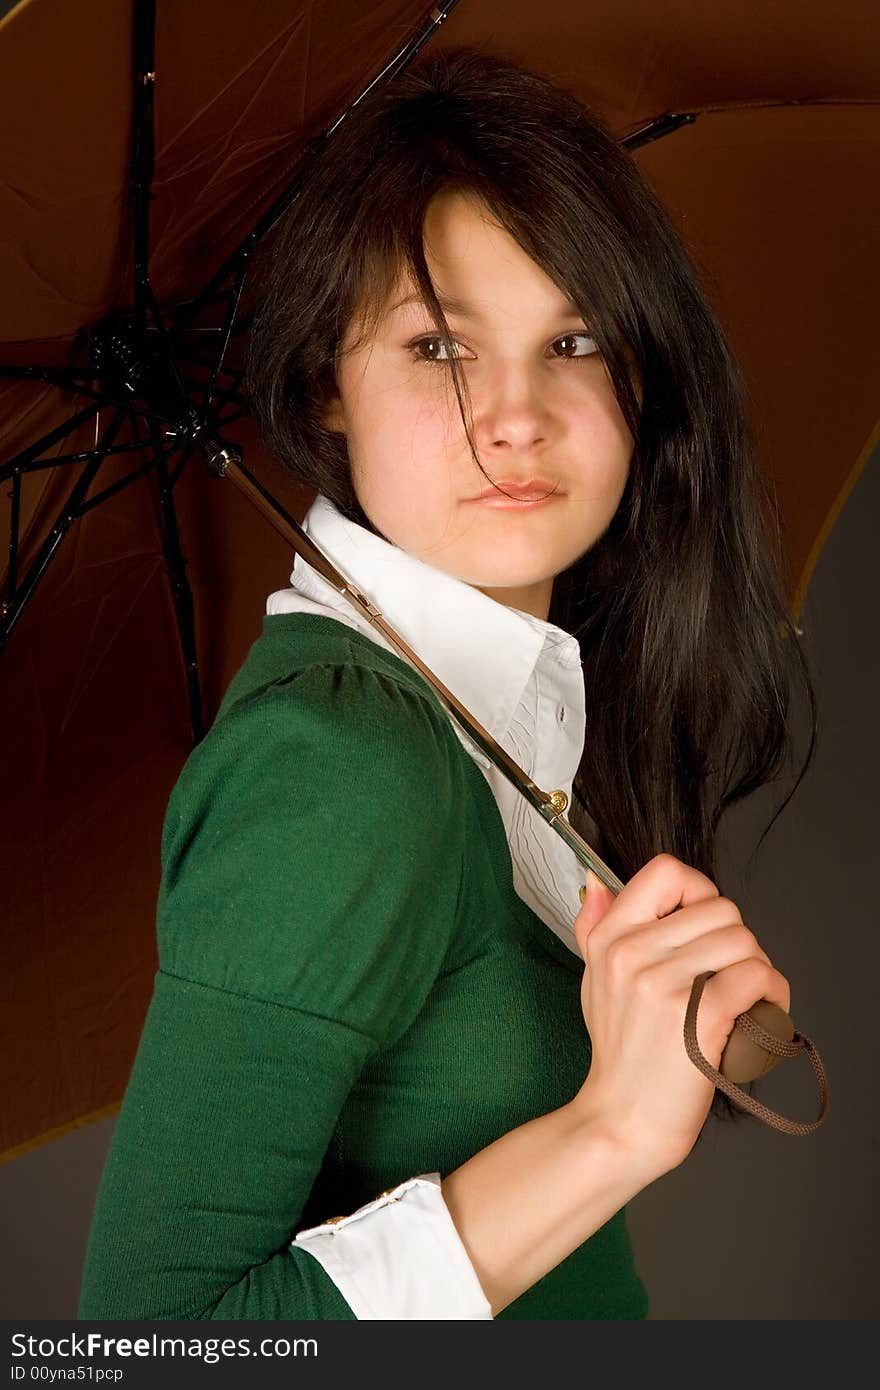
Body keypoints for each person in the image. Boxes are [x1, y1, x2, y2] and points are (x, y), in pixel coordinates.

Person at [77, 46, 816, 1321]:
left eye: (572, 339)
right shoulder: (339, 766)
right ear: (328, 383)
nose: (515, 415)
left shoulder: (510, 721)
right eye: (438, 348)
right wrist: (606, 1135)